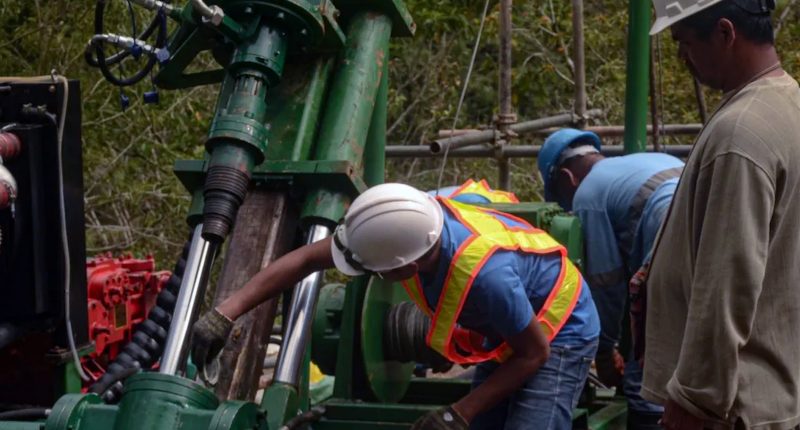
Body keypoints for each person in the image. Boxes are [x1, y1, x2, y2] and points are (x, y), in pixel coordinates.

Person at [192, 182, 600, 429]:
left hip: (559, 328)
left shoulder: (486, 278)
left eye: (374, 271)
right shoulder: (401, 219)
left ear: (407, 267)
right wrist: (226, 312)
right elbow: (303, 260)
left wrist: (457, 412)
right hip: (509, 325)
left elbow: (534, 354)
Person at [643, 0, 800, 428]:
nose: (683, 59)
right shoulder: (786, 103)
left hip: (735, 406)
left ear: (726, 33)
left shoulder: (742, 131)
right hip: (774, 393)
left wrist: (695, 400)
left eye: (685, 43)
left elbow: (727, 284)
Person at [537, 128, 684, 429]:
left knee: (646, 378)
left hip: (672, 233)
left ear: (567, 177)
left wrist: (603, 353)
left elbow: (607, 284)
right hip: (718, 225)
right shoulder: (648, 161)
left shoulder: (588, 195)